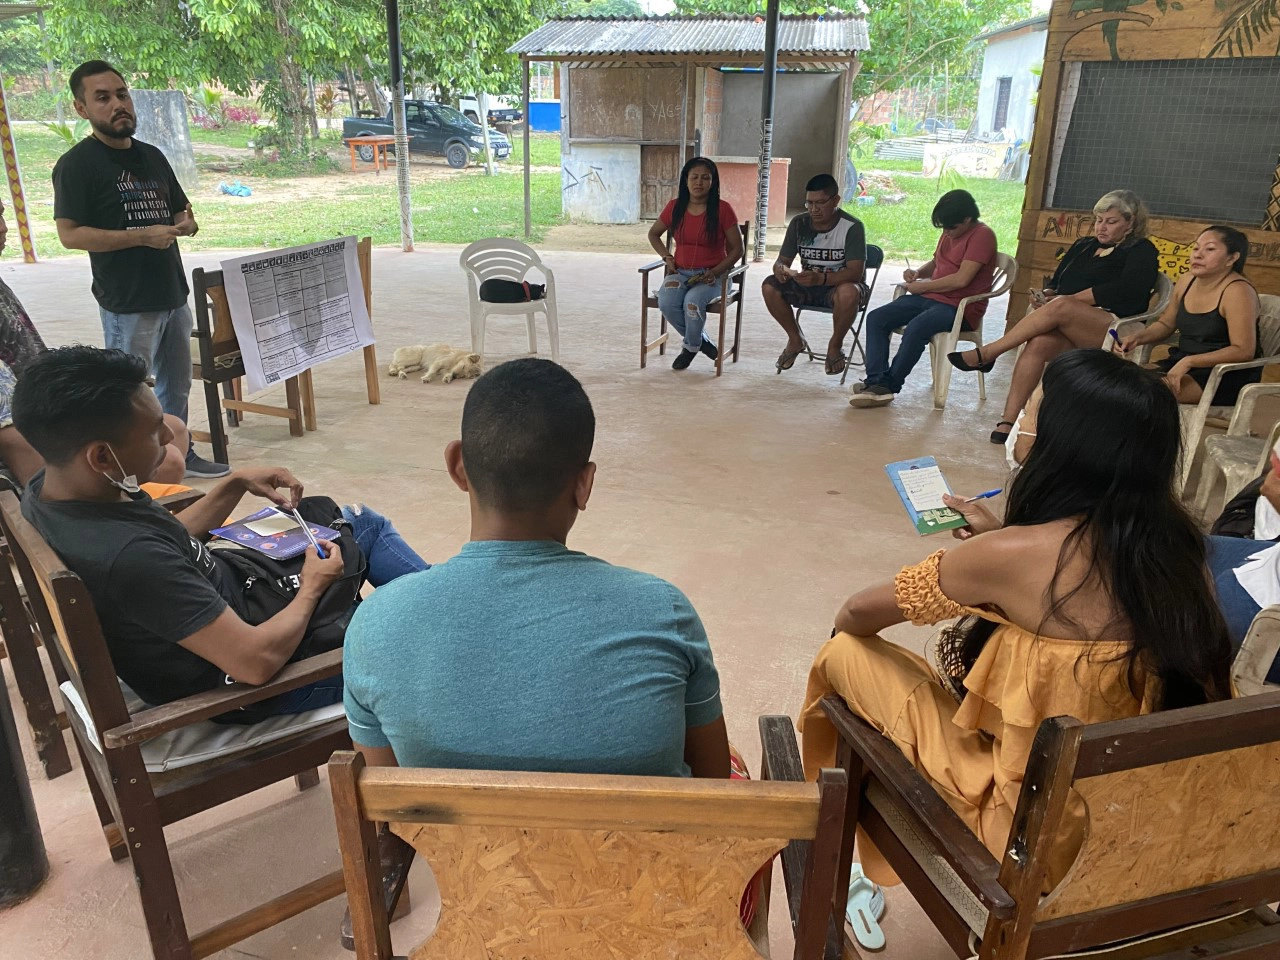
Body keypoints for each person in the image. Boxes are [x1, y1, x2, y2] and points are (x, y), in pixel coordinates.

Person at [801, 349, 1231, 894]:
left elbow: (856, 614)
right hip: (1135, 836)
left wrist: (988, 558)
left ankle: (826, 834)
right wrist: (1002, 540)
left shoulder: (1010, 557)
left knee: (842, 651)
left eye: (1031, 410)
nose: (1022, 420)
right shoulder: (1184, 554)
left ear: (1060, 443)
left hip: (1029, 851)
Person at [12, 345, 430, 720]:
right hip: (256, 681)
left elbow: (166, 539)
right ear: (102, 456)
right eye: (153, 430)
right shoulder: (130, 559)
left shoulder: (55, 490)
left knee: (357, 523)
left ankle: (448, 608)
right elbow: (255, 663)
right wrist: (311, 588)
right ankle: (452, 622)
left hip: (236, 600)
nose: (169, 436)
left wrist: (234, 484)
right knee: (424, 647)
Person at [52, 59, 228, 479]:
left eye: (122, 94)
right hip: (127, 302)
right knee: (129, 394)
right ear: (81, 108)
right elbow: (69, 235)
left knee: (176, 385)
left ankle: (178, 454)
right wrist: (140, 236)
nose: (118, 105)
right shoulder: (77, 165)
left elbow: (182, 209)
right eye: (103, 98)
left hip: (172, 293)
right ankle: (134, 470)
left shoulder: (152, 156)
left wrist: (185, 223)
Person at [947, 190, 1158, 441]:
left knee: (1063, 306)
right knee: (1038, 343)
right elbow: (1058, 283)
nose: (1101, 227)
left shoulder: (1142, 250)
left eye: (1111, 222)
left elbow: (1127, 291)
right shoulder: (1084, 246)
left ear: (1130, 223)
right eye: (1098, 220)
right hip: (1069, 322)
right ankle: (1009, 421)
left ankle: (990, 352)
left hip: (1118, 328)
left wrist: (1066, 301)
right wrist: (1046, 296)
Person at [850, 190, 996, 408]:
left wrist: (922, 287)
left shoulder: (982, 235)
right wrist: (917, 273)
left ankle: (889, 386)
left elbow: (961, 280)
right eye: (943, 228)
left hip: (959, 307)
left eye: (951, 228)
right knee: (876, 318)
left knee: (917, 328)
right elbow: (937, 262)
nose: (947, 233)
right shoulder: (949, 232)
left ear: (967, 219)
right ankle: (876, 382)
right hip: (932, 298)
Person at [1118, 225, 1261, 406]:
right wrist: (1138, 337)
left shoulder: (1238, 291)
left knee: (1139, 394)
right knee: (1116, 381)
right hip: (1182, 361)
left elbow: (1243, 350)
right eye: (1196, 248)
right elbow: (1166, 324)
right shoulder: (1187, 280)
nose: (1198, 255)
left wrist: (1190, 362)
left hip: (1224, 373)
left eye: (1210, 249)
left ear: (1232, 258)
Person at [763, 173, 867, 376]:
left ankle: (835, 345)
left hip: (841, 287)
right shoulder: (799, 224)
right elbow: (782, 261)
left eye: (820, 203)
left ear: (835, 200)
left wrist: (822, 278)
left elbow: (855, 273)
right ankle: (796, 340)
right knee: (769, 286)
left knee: (848, 292)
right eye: (809, 203)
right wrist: (780, 270)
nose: (813, 209)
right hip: (809, 284)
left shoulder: (852, 227)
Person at [647, 157, 743, 370]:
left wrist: (716, 271)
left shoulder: (723, 209)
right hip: (681, 273)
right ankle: (702, 341)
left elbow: (738, 249)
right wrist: (667, 257)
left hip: (714, 276)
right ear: (686, 180)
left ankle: (690, 348)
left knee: (692, 301)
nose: (699, 182)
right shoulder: (674, 207)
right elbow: (653, 234)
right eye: (694, 177)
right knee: (666, 301)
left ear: (713, 182)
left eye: (705, 178)